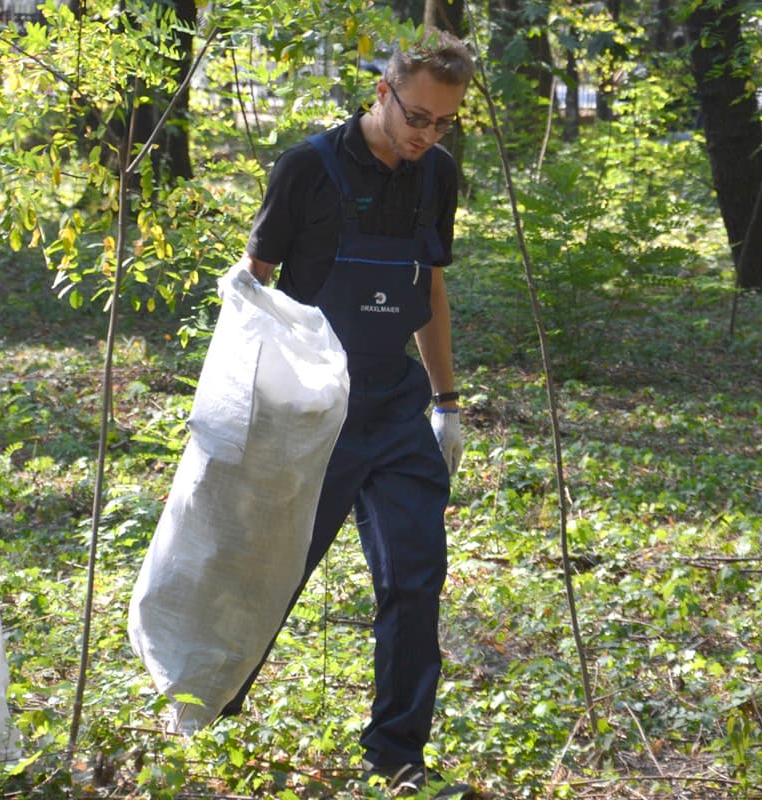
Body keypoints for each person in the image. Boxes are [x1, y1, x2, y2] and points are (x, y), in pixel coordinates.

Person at [220, 31, 474, 797]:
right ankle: (211, 711)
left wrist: (446, 401)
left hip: (394, 407)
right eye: (417, 117)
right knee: (274, 569)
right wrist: (243, 402)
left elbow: (429, 289)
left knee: (415, 575)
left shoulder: (437, 178)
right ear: (383, 90)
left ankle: (398, 754)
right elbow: (254, 287)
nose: (426, 136)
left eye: (443, 124)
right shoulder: (308, 168)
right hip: (309, 410)